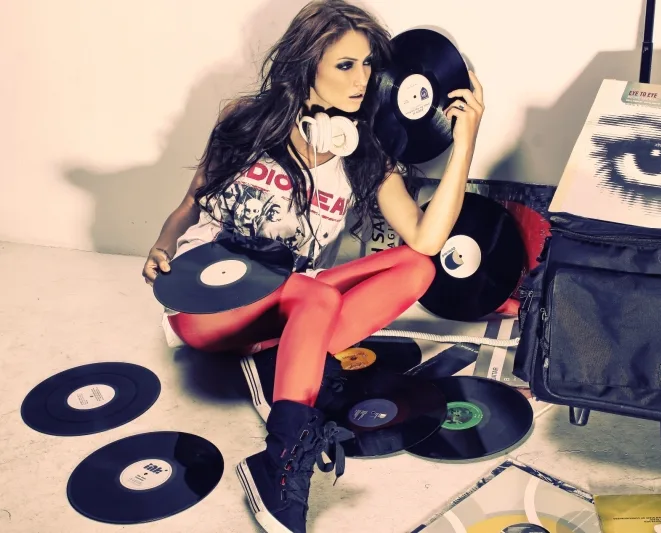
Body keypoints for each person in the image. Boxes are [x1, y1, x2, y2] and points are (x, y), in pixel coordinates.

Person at [142, 1, 487, 531]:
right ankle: (278, 461)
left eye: (368, 64)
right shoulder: (244, 118)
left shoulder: (364, 153)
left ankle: (282, 361)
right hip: (209, 303)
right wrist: (163, 246)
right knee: (316, 293)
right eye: (346, 65)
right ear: (307, 64)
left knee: (418, 267)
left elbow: (428, 238)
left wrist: (465, 142)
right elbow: (192, 201)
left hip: (289, 298)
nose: (362, 79)